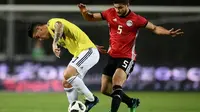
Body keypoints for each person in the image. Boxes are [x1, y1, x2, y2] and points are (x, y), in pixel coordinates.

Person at [78, 0, 184, 112]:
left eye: (120, 7)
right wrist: (84, 12)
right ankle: (131, 102)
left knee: (116, 84)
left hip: (127, 57)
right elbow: (90, 18)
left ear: (127, 5)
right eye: (116, 7)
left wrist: (167, 32)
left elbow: (154, 28)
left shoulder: (136, 19)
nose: (117, 10)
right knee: (105, 89)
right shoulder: (110, 12)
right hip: (112, 56)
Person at [28, 18, 100, 112]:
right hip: (82, 53)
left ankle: (92, 99)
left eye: (38, 36)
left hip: (87, 51)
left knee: (68, 74)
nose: (40, 39)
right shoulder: (53, 33)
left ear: (39, 28)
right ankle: (74, 108)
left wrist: (54, 43)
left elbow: (59, 25)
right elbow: (76, 35)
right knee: (66, 83)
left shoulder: (51, 23)